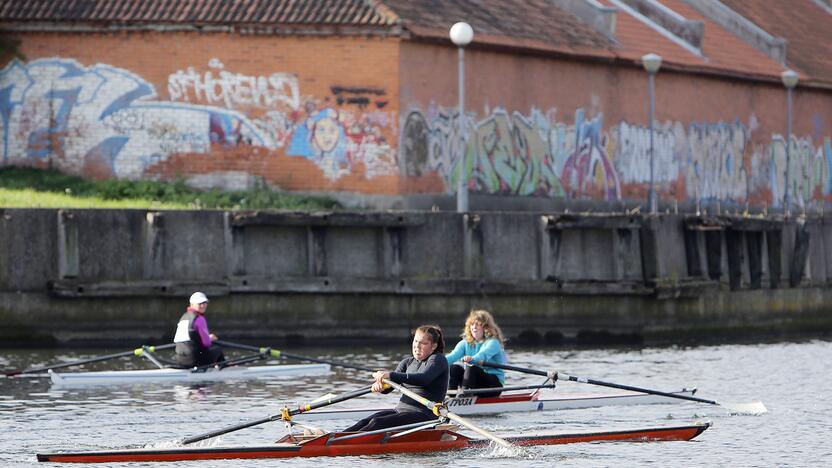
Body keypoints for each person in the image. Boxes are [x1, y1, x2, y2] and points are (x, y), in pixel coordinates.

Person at [344, 324, 448, 432]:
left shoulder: (438, 360)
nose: (417, 346)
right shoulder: (407, 363)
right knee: (365, 421)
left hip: (425, 415)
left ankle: (342, 444)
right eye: (416, 341)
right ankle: (334, 438)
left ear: (434, 346)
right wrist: (380, 386)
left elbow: (423, 378)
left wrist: (390, 375)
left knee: (377, 423)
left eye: (423, 343)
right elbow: (389, 388)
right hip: (400, 411)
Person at [445, 309, 507, 397]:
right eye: (472, 324)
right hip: (473, 383)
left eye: (478, 324)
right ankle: (450, 397)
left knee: (472, 368)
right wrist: (435, 362)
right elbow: (452, 356)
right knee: (454, 368)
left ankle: (465, 397)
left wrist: (472, 359)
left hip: (493, 385)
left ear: (486, 327)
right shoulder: (465, 343)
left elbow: (483, 355)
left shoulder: (493, 342)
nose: (474, 327)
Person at [173, 292, 225, 367]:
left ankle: (214, 368)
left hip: (179, 359)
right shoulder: (199, 319)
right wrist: (209, 338)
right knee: (218, 349)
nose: (203, 305)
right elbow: (207, 343)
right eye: (199, 303)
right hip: (195, 360)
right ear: (192, 304)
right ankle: (223, 369)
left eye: (204, 303)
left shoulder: (183, 317)